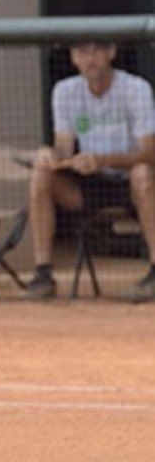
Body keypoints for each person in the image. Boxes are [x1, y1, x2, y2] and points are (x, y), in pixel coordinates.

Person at [26, 42, 155, 302]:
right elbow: (64, 147)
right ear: (73, 58)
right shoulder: (64, 91)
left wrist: (102, 160)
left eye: (97, 50)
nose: (90, 58)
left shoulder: (136, 88)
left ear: (111, 52)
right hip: (90, 186)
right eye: (82, 52)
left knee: (142, 174)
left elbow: (149, 152)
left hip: (131, 183)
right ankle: (43, 273)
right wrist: (51, 155)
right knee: (41, 174)